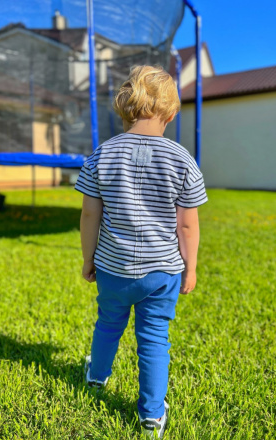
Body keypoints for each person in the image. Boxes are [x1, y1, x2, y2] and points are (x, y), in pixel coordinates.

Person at [74, 65, 208, 438]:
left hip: (113, 268)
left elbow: (89, 213)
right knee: (153, 339)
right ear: (171, 112)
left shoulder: (102, 153)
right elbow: (187, 225)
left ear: (126, 107)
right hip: (162, 272)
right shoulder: (182, 159)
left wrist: (88, 258)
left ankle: (97, 376)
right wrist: (190, 268)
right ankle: (151, 414)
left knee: (108, 325)